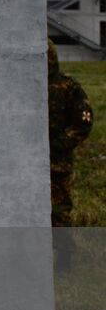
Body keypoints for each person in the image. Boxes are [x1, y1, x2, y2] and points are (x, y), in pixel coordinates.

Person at [48, 40, 95, 227]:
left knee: (58, 215)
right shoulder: (23, 87)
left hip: (57, 166)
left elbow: (83, 122)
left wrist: (59, 144)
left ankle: (65, 256)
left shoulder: (68, 87)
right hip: (25, 165)